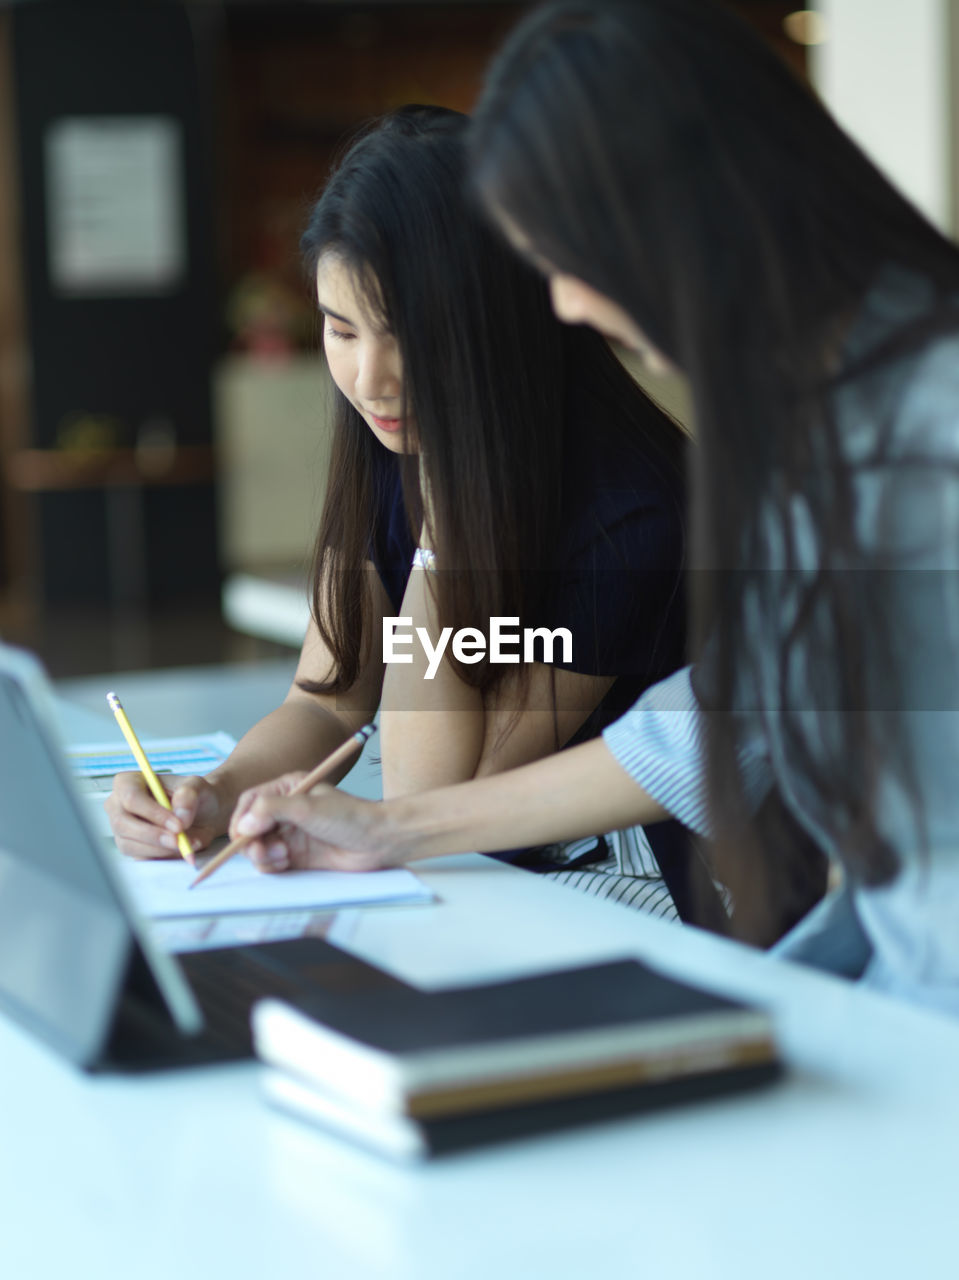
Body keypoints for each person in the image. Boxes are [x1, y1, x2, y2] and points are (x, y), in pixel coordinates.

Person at [231, 0, 959, 1015]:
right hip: (878, 985)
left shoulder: (905, 426)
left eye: (565, 261)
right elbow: (716, 714)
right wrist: (384, 831)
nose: (567, 306)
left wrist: (399, 816)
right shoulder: (809, 418)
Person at [107, 103, 696, 919]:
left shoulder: (632, 512)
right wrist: (213, 795)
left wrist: (448, 518)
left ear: (500, 326)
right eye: (340, 330)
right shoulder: (397, 435)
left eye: (406, 333)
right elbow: (327, 695)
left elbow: (434, 797)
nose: (371, 379)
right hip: (472, 871)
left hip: (630, 891)